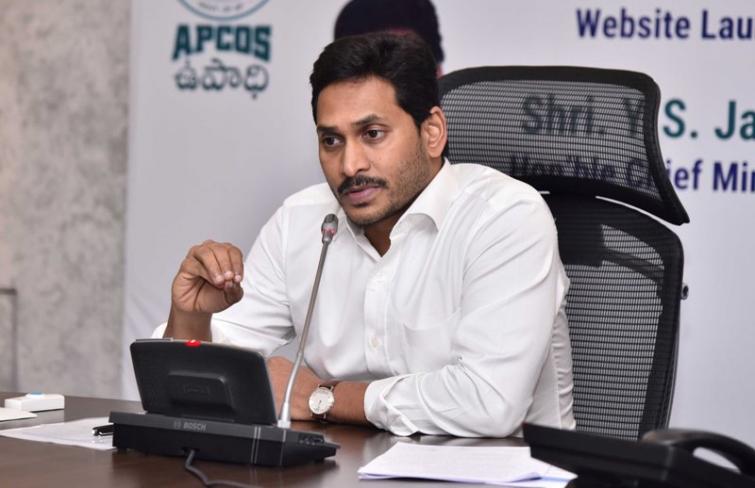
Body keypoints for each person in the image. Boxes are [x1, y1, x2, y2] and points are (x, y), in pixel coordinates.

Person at [160, 32, 575, 437]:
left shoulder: (504, 217)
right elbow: (196, 387)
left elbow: (488, 403)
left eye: (372, 134)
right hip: (345, 467)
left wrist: (323, 398)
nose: (350, 164)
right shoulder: (301, 222)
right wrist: (193, 317)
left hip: (497, 470)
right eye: (331, 140)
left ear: (432, 132)